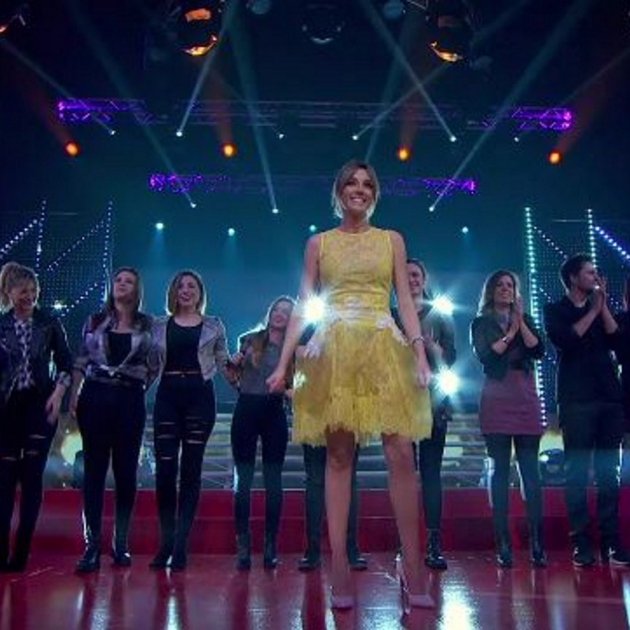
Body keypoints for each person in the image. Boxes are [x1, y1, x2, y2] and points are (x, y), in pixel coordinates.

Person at [267, 160, 434, 611]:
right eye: (351, 183)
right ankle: (338, 562)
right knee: (339, 456)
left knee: (402, 452)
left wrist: (419, 352)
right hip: (335, 348)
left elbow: (405, 300)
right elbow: (304, 301)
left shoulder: (391, 239)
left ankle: (412, 562)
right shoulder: (319, 243)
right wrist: (283, 363)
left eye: (367, 185)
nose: (359, 190)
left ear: (374, 194)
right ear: (338, 192)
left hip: (383, 344)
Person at [545, 254, 630, 567]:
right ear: (573, 277)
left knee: (609, 472)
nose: (596, 276)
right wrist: (592, 310)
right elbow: (566, 340)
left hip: (609, 398)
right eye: (590, 272)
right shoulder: (556, 310)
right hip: (576, 399)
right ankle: (581, 542)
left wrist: (602, 307)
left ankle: (612, 543)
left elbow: (619, 344)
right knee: (577, 472)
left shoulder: (602, 308)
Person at [70, 267, 155, 572]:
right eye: (118, 280)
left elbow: (154, 365)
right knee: (93, 472)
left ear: (137, 289)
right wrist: (73, 395)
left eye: (128, 281)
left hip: (129, 400)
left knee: (126, 473)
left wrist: (136, 385)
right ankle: (91, 545)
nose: (121, 284)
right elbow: (80, 360)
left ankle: (121, 543)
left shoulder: (148, 324)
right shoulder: (95, 321)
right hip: (95, 397)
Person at [150, 270, 229, 570]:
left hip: (199, 397)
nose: (186, 290)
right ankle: (166, 542)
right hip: (167, 396)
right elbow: (149, 365)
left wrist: (243, 374)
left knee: (191, 471)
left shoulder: (214, 325)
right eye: (181, 286)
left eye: (191, 286)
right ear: (173, 292)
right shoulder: (158, 325)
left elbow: (224, 362)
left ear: (200, 293)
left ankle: (181, 545)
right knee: (165, 471)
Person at [471, 270, 546, 568]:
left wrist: (520, 323)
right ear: (491, 290)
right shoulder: (481, 323)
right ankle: (503, 543)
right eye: (500, 285)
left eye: (510, 285)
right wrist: (511, 332)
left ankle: (537, 543)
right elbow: (488, 355)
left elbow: (538, 349)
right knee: (499, 471)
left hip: (525, 397)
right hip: (497, 399)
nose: (505, 289)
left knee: (530, 471)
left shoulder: (525, 319)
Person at [0, 262, 72, 572]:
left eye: (33, 291)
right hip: (6, 409)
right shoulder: (2, 325)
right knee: (4, 482)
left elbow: (66, 364)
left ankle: (22, 551)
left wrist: (58, 394)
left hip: (39, 406)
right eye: (22, 291)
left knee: (32, 479)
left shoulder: (49, 323)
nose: (29, 297)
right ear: (8, 292)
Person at [228, 296, 294, 570]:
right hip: (246, 408)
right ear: (270, 312)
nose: (279, 314)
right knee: (243, 479)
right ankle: (243, 546)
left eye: (286, 312)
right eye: (276, 309)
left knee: (273, 480)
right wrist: (233, 367)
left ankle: (270, 546)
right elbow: (233, 376)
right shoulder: (249, 340)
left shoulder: (293, 349)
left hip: (275, 411)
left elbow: (298, 386)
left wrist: (288, 391)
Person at [399, 259, 456, 570]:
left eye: (416, 275)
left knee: (431, 472)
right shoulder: (391, 315)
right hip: (400, 400)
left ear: (424, 279)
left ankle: (434, 542)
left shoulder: (440, 315)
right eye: (406, 275)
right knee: (404, 474)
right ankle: (406, 542)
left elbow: (452, 357)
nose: (412, 280)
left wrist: (434, 352)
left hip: (434, 400)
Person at [296, 324, 367, 572]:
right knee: (315, 481)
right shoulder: (309, 327)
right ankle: (313, 550)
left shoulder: (356, 326)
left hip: (348, 409)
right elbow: (300, 360)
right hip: (314, 409)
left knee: (348, 480)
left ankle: (350, 548)